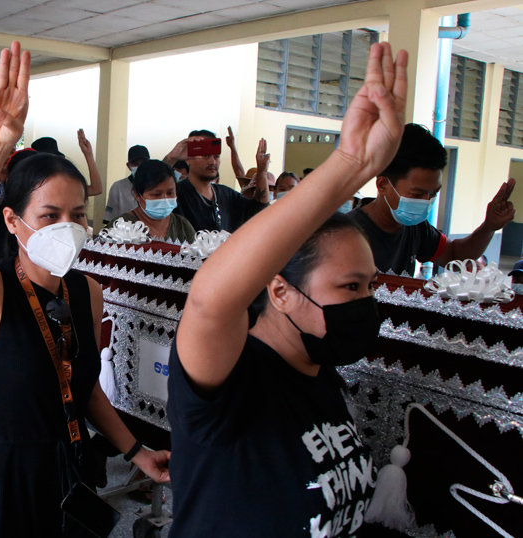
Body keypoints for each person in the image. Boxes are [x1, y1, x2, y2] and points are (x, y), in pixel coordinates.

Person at [167, 42, 408, 537]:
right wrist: (350, 165)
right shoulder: (230, 378)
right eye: (348, 286)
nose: (365, 302)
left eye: (369, 286)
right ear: (278, 290)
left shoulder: (319, 372)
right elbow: (212, 299)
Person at [0, 41, 169, 537]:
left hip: (71, 467)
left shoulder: (85, 288)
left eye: (77, 216)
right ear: (12, 221)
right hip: (1, 479)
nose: (67, 227)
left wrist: (137, 452)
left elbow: (81, 386)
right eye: (49, 216)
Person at [347, 123, 516, 275]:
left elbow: (454, 255)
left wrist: (489, 227)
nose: (425, 202)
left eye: (433, 194)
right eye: (417, 194)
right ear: (383, 184)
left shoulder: (416, 228)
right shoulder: (345, 234)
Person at [169, 132, 269, 232]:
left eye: (216, 156)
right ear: (188, 159)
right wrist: (171, 158)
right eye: (206, 156)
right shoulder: (176, 194)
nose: (212, 162)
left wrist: (262, 172)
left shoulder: (227, 195)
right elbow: (154, 183)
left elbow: (259, 208)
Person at [113, 159, 196, 243]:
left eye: (170, 193)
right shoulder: (120, 228)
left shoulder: (182, 226)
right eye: (156, 194)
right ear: (138, 195)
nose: (165, 199)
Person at [103, 145, 150, 223]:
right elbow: (110, 220)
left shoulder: (156, 186)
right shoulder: (118, 187)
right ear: (129, 166)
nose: (139, 166)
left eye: (143, 162)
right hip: (125, 232)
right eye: (135, 163)